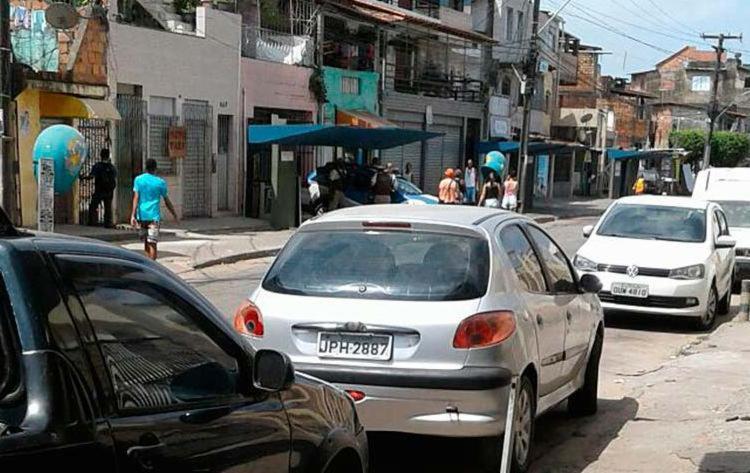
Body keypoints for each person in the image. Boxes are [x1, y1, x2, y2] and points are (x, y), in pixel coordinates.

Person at [130, 158, 179, 260]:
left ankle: (149, 264)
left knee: (146, 242)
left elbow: (136, 197)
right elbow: (166, 200)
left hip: (142, 216)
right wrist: (174, 214)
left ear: (145, 167)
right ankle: (153, 266)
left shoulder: (138, 180)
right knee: (153, 243)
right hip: (154, 218)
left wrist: (132, 215)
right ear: (155, 169)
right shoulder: (160, 182)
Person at [81, 148, 116, 227]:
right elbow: (114, 176)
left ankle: (92, 222)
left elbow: (92, 176)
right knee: (108, 207)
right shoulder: (112, 167)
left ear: (101, 155)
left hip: (99, 190)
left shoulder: (98, 166)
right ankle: (108, 223)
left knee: (93, 206)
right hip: (109, 191)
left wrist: (83, 178)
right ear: (108, 156)